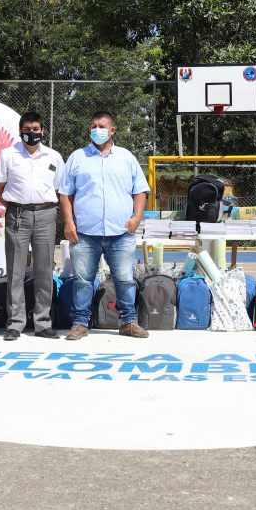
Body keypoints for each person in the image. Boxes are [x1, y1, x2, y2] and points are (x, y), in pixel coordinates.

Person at [59, 111, 151, 341]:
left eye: (102, 126)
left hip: (120, 232)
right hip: (85, 234)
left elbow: (140, 190)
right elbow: (65, 193)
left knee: (125, 279)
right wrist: (68, 223)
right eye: (93, 126)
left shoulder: (127, 157)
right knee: (82, 280)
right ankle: (80, 323)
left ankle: (128, 322)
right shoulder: (77, 158)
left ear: (112, 131)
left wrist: (137, 217)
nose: (96, 129)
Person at [0, 111, 65, 343]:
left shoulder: (53, 156)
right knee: (15, 270)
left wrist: (40, 207)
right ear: (20, 131)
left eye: (36, 129)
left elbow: (59, 189)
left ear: (43, 131)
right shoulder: (8, 155)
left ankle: (43, 323)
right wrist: (16, 207)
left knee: (45, 269)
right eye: (27, 129)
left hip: (46, 214)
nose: (31, 133)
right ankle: (15, 323)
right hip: (18, 214)